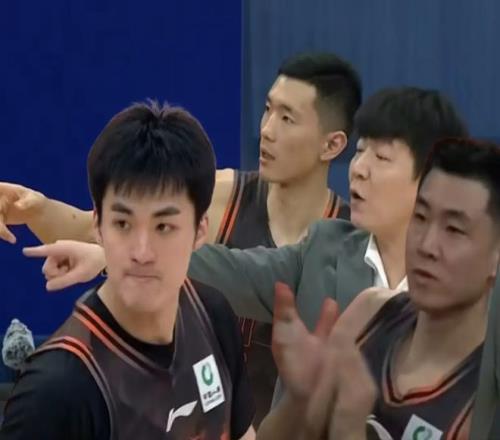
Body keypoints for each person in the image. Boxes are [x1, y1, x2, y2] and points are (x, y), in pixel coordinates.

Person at [18, 87, 469, 411]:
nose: (359, 170)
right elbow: (222, 268)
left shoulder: (476, 286)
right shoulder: (325, 247)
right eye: (360, 152)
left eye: (381, 158)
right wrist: (109, 259)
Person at [0, 51, 361, 425]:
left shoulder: (349, 249)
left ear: (332, 145)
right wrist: (36, 209)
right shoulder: (222, 197)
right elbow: (98, 229)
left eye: (287, 118)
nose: (267, 130)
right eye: (267, 110)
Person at [0, 102, 256, 439]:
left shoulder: (213, 315)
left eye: (164, 227)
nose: (142, 252)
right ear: (98, 226)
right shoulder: (54, 393)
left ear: (200, 231)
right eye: (122, 224)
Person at [262, 138, 500, 439]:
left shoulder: (485, 398)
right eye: (420, 217)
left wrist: (350, 429)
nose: (427, 246)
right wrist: (299, 399)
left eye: (453, 229)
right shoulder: (369, 314)